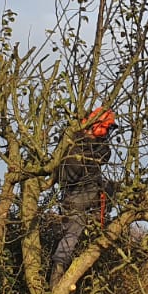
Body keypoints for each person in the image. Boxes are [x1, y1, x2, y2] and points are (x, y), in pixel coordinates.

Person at [50, 108, 116, 284]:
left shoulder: (85, 144)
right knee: (72, 233)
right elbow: (78, 168)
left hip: (79, 196)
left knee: (75, 234)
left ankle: (62, 269)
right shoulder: (77, 146)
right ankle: (58, 272)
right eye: (106, 128)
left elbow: (105, 154)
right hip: (77, 194)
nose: (107, 133)